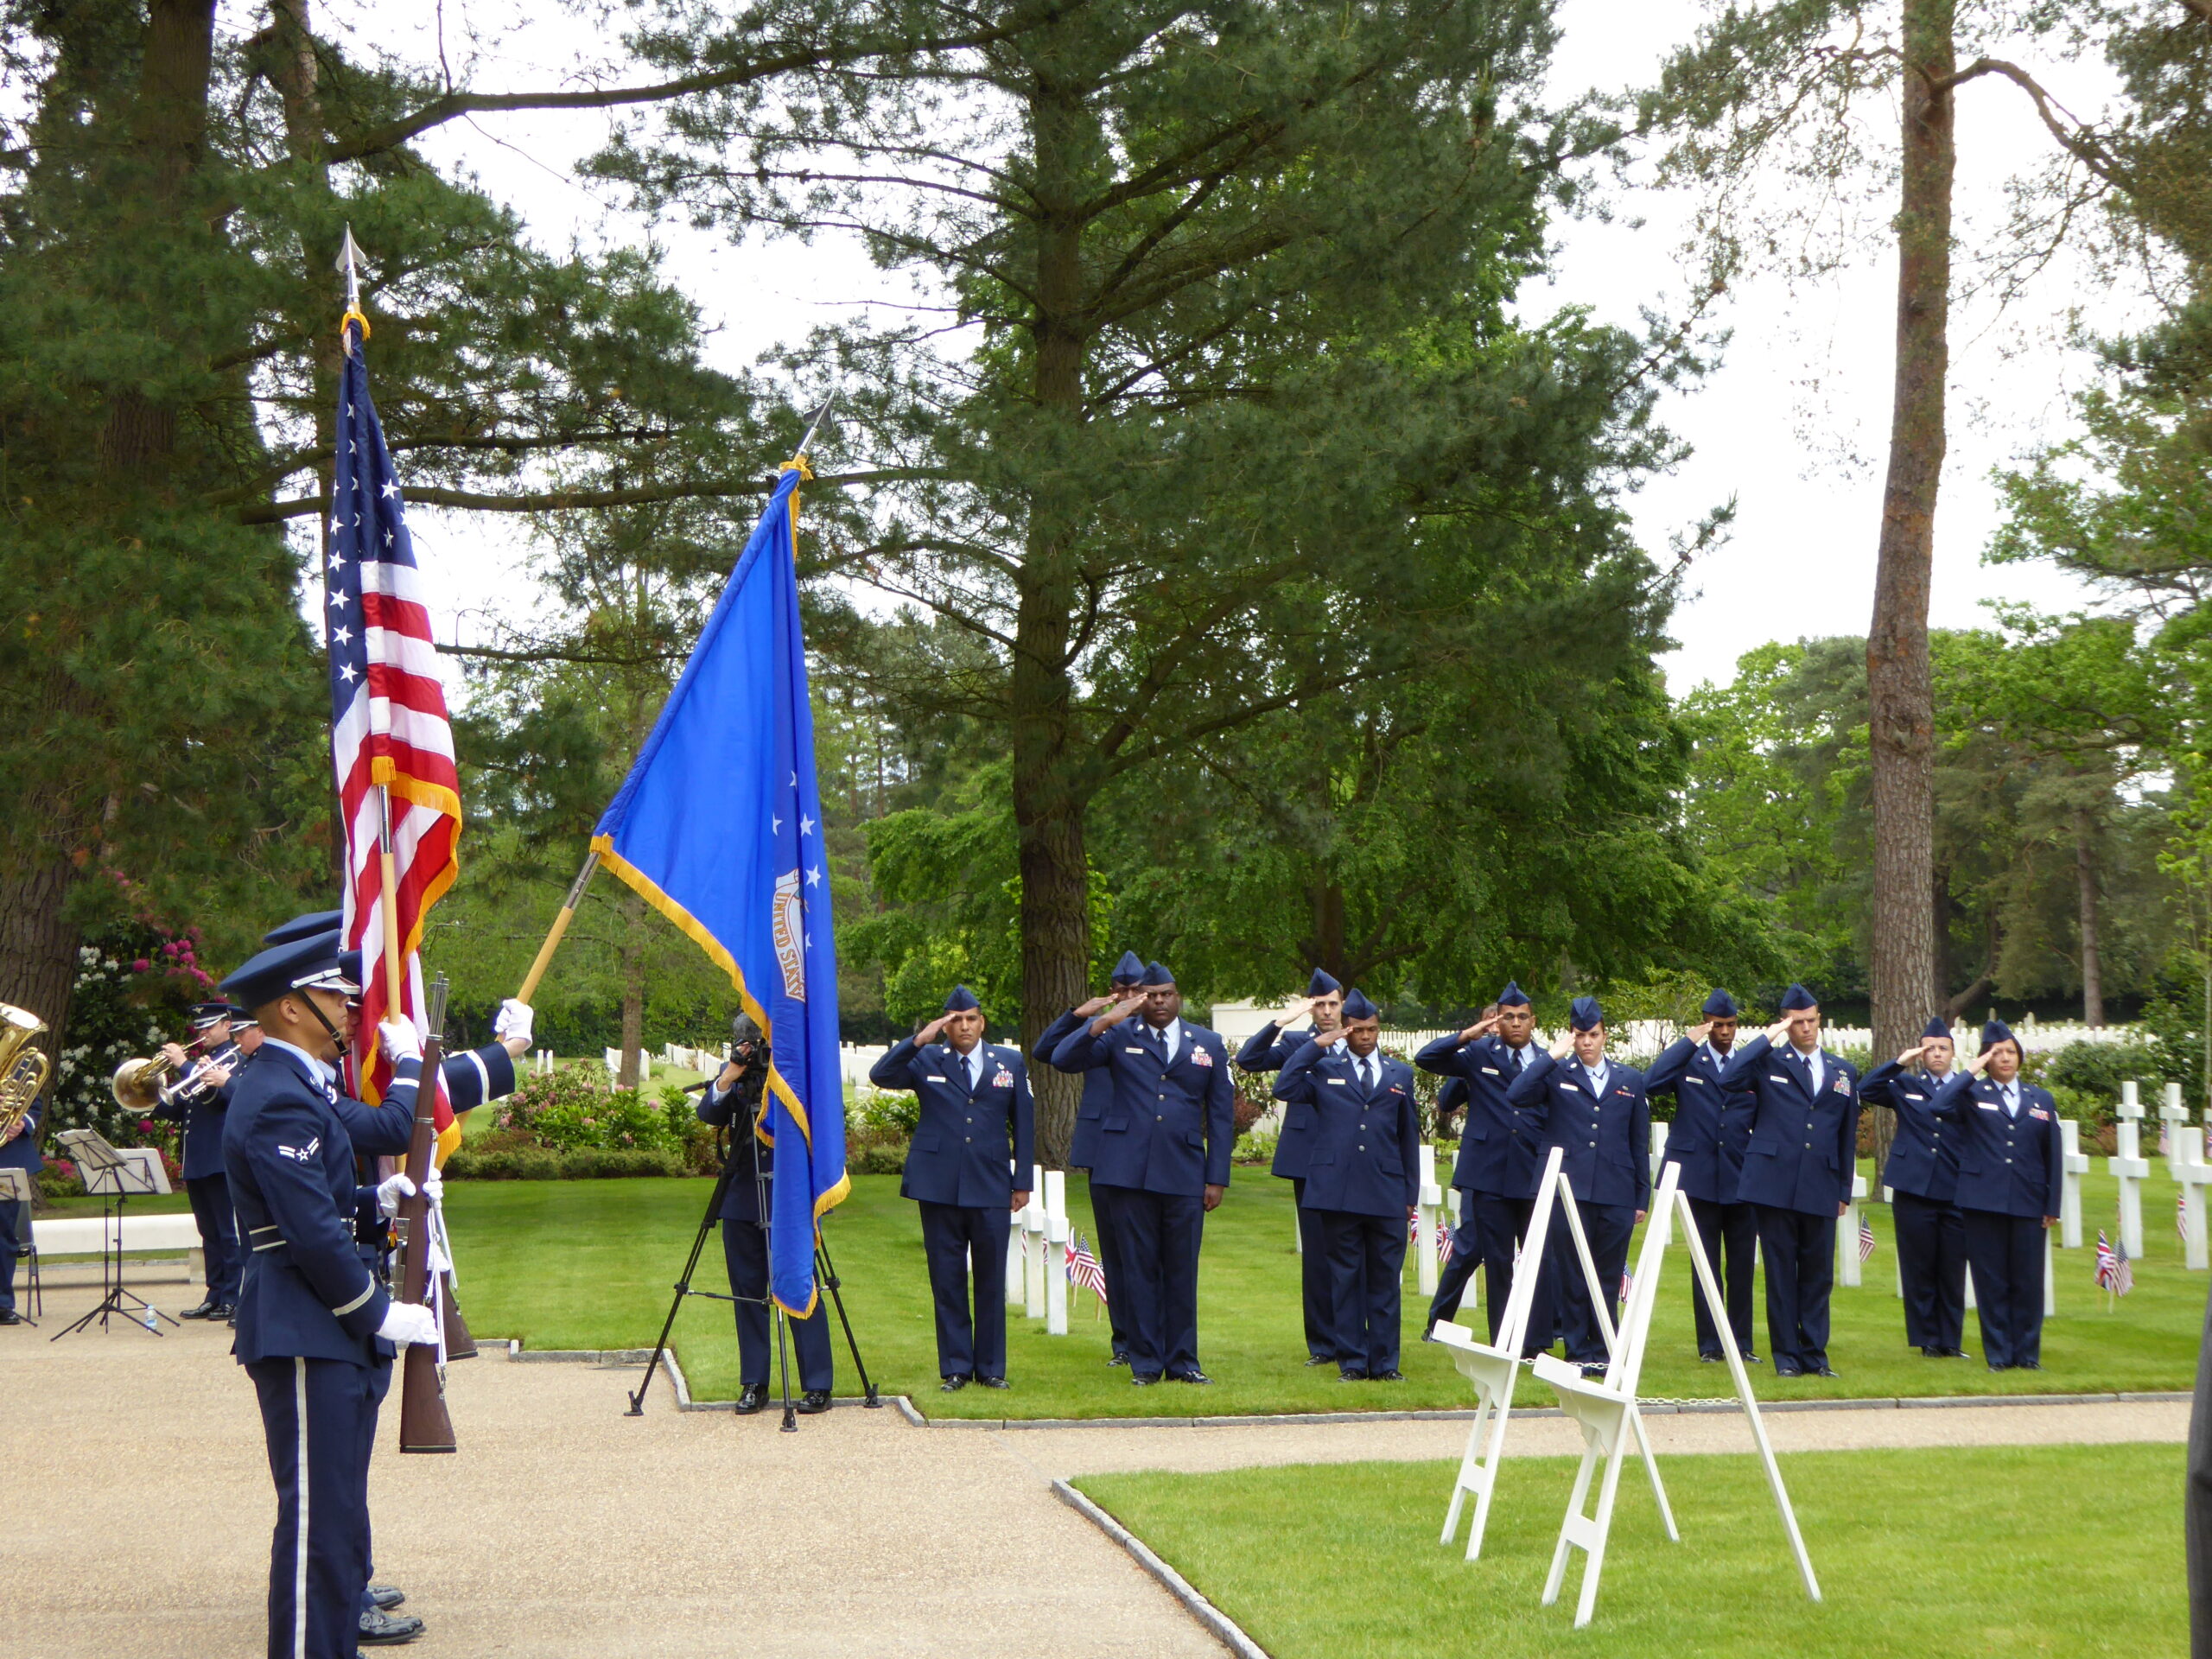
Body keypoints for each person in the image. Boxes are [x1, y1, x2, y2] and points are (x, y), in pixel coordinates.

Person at [219, 930, 442, 1659]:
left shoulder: (294, 1086)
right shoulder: (279, 1095)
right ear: (290, 1008)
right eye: (334, 998)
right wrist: (379, 1312)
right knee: (317, 1523)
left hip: (322, 1326)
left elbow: (322, 1197)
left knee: (338, 1517)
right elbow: (309, 1232)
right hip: (307, 1325)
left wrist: (377, 1197)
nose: (350, 1010)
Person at [1052, 961, 1235, 1385]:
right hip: (1127, 1171)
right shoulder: (1119, 1035)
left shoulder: (1207, 1042)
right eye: (1151, 995)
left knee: (1181, 1268)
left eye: (1166, 994)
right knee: (1137, 1268)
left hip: (1184, 1170)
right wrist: (1102, 1022)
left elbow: (1221, 1114)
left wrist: (1217, 1177)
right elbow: (1062, 1059)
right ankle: (1147, 1363)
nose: (1159, 1002)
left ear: (1178, 997)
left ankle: (1184, 1361)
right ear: (1140, 999)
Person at [871, 986, 1035, 1390]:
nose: (965, 1026)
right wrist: (918, 1040)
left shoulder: (1009, 1062)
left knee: (991, 1279)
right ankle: (957, 1368)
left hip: (991, 1182)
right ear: (946, 1025)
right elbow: (881, 1075)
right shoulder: (927, 1057)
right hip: (938, 1185)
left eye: (972, 1019)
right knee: (946, 1279)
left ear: (982, 1022)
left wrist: (1023, 1182)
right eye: (956, 1020)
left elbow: (1025, 1125)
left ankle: (992, 1368)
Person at [1271, 989, 1420, 1380]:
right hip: (1338, 1191)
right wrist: (1316, 1045)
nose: (1365, 1037)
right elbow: (1283, 1087)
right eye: (1357, 1030)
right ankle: (1352, 1361)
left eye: (1372, 1030)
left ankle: (1386, 1363)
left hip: (1386, 1191)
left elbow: (1408, 1138)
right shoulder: (1323, 1069)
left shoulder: (1398, 1074)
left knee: (1386, 1281)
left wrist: (1410, 1195)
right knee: (1346, 1279)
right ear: (1346, 1031)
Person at [1719, 983, 1861, 1378]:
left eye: (1811, 1021)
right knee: (1782, 1273)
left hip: (1821, 1182)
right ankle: (1787, 1356)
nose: (1806, 1029)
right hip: (1775, 1182)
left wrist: (1843, 1189)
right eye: (1797, 1023)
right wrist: (1769, 1036)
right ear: (1786, 1023)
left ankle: (1815, 1354)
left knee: (1818, 1274)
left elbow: (1846, 1134)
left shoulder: (1842, 1072)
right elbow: (1729, 1077)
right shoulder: (1768, 1063)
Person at [1506, 996, 1651, 1378]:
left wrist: (1641, 1196)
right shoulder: (1556, 1074)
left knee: (1606, 1273)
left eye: (1593, 1035)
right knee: (1571, 1273)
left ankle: (1603, 1348)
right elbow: (1516, 1094)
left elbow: (1638, 1142)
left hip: (1615, 1189)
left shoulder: (1629, 1080)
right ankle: (1577, 1350)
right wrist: (1551, 1056)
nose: (1587, 1042)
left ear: (1604, 1036)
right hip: (1566, 1190)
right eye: (1580, 1035)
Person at [698, 1014, 834, 1414]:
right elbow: (709, 1113)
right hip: (741, 1194)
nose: (753, 1048)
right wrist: (730, 1076)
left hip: (787, 1196)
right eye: (745, 1042)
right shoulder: (737, 1075)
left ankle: (817, 1382)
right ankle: (754, 1382)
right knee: (747, 1292)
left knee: (798, 1280)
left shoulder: (795, 1074)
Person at [1414, 982, 1553, 1354]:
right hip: (1488, 1174)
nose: (1515, 1024)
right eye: (1507, 1017)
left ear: (1533, 1021)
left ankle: (1537, 1341)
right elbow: (1426, 1059)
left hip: (1531, 1171)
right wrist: (1469, 1034)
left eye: (1522, 1017)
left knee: (1538, 1261)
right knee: (1496, 1261)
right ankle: (1505, 1341)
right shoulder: (1479, 1053)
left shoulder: (1546, 1061)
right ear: (1497, 1020)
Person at [1926, 1020, 2064, 1371]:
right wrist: (1971, 1071)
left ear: (2020, 1057)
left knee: (2028, 1281)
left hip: (2028, 1201)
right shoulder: (1973, 1095)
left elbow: (2053, 1154)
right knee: (1991, 1280)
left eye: (2010, 1052)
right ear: (1987, 1058)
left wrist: (2052, 1205)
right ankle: (2000, 1355)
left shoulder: (2040, 1098)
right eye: (1997, 1053)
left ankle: (2027, 1355)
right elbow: (1938, 1105)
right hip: (1982, 1201)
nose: (2005, 1059)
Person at [1033, 950, 1145, 1366]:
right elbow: (1047, 1052)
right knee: (1115, 1251)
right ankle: (1125, 1342)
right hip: (1105, 1149)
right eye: (1123, 990)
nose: (1129, 997)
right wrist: (1079, 1016)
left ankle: (1158, 1339)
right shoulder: (1099, 1033)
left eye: (1137, 990)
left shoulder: (1159, 1032)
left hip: (1150, 1149)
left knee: (1151, 1252)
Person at [1235, 967, 1344, 1368]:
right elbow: (1249, 1059)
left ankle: (1355, 1335)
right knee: (1317, 1253)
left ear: (1343, 1006)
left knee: (1351, 1251)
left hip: (1351, 1159)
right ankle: (1323, 1343)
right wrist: (1285, 1020)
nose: (1327, 1012)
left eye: (1333, 1004)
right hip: (1308, 1159)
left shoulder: (1356, 1042)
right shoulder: (1300, 1041)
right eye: (1319, 1005)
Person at [1643, 989, 1759, 1363]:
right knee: (1705, 1267)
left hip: (1742, 1177)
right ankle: (1710, 1345)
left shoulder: (1749, 1065)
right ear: (1707, 1024)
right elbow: (1651, 1081)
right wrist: (1689, 1041)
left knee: (1741, 1268)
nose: (1724, 1032)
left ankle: (1741, 1344)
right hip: (1698, 1178)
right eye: (1717, 1025)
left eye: (1730, 1025)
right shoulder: (1689, 1064)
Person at [1861, 1016, 1969, 1358]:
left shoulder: (1968, 1090)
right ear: (1922, 1054)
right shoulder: (1907, 1086)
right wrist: (1899, 1062)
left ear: (1953, 1053)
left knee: (1951, 1268)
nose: (1937, 1054)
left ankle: (1950, 1340)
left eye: (1943, 1048)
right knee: (1918, 1265)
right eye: (1930, 1048)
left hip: (1954, 1187)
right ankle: (1926, 1340)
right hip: (1914, 1187)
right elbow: (1866, 1089)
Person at [154, 1001, 251, 1320]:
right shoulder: (200, 1065)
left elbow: (224, 1097)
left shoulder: (234, 1059)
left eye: (209, 1027)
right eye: (201, 1029)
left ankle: (233, 1296)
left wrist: (184, 1066)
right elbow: (180, 1108)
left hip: (222, 1157)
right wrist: (154, 1090)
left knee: (227, 1231)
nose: (203, 1034)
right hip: (197, 1159)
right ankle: (214, 1293)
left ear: (227, 1024)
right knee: (208, 1232)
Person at [0, 1084, 41, 1326]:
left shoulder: (20, 1065)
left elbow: (34, 1105)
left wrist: (21, 1123)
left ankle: (2, 1303)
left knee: (3, 1234)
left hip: (7, 1157)